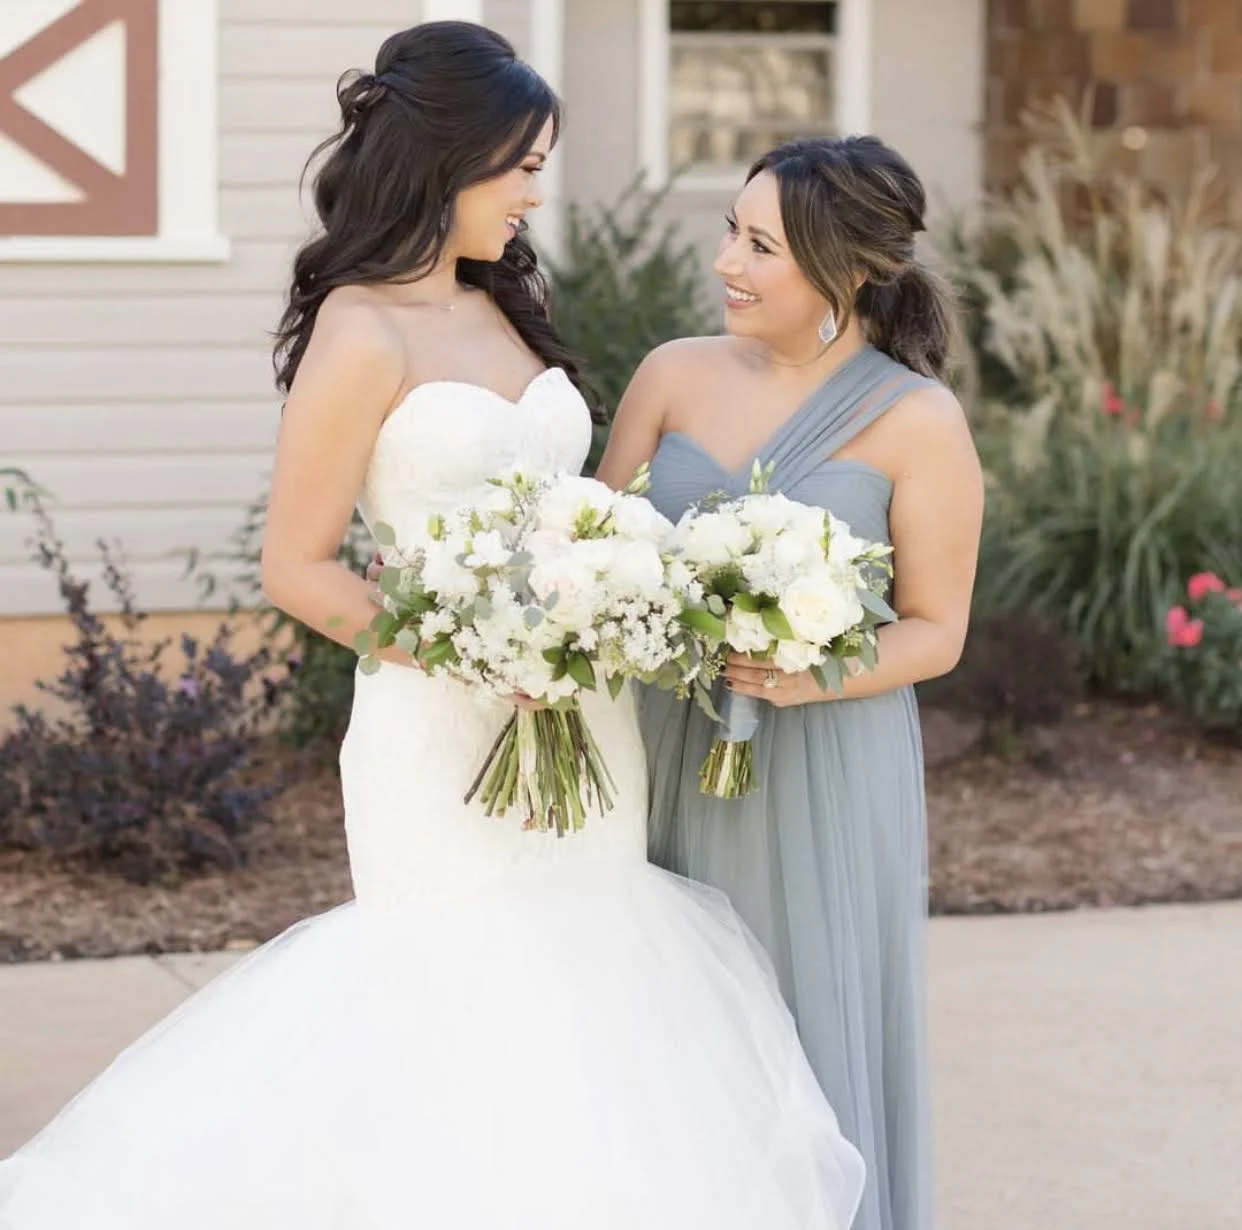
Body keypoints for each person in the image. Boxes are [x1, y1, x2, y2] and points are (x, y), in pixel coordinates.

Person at [0, 24, 865, 1230]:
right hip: (437, 730)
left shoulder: (508, 306)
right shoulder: (362, 330)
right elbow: (297, 567)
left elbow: (579, 509)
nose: (534, 192)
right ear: (449, 158)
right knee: (456, 996)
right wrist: (476, 649)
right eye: (520, 166)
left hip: (581, 715)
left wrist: (609, 598)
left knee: (591, 989)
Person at [595, 135, 985, 1230]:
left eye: (763, 245)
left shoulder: (915, 420)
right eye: (732, 230)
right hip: (663, 741)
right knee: (663, 1029)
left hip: (821, 762)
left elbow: (938, 630)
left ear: (852, 267)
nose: (729, 261)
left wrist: (816, 673)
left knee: (798, 1018)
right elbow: (596, 543)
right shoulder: (672, 376)